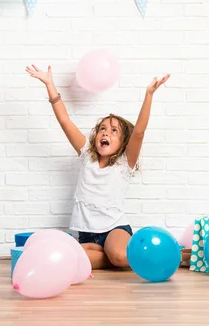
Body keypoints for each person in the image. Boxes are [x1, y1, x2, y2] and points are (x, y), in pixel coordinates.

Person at [26, 63, 171, 270]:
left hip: (115, 229)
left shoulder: (124, 163)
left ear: (123, 142)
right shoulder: (86, 154)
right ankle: (109, 257)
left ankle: (155, 255)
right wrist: (49, 84)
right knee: (72, 258)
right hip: (87, 233)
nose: (105, 133)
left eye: (113, 131)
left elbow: (139, 132)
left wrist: (149, 95)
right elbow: (65, 120)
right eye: (102, 129)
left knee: (120, 256)